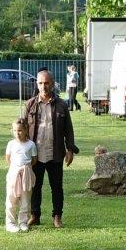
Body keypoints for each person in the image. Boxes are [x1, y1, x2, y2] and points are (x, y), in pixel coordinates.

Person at [23, 68, 76, 229]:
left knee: (57, 187)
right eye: (40, 83)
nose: (43, 86)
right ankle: (35, 215)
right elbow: (22, 128)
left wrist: (70, 150)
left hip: (55, 153)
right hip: (35, 155)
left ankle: (57, 216)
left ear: (52, 84)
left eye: (46, 83)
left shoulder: (61, 105)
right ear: (37, 84)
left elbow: (69, 129)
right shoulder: (30, 104)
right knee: (35, 186)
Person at [4, 117, 37, 233]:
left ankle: (23, 222)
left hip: (26, 174)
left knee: (25, 200)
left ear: (26, 130)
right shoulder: (11, 144)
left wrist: (25, 169)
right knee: (11, 199)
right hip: (13, 174)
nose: (17, 133)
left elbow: (34, 159)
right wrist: (16, 169)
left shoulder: (31, 145)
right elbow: (8, 159)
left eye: (20, 130)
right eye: (15, 131)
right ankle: (10, 222)